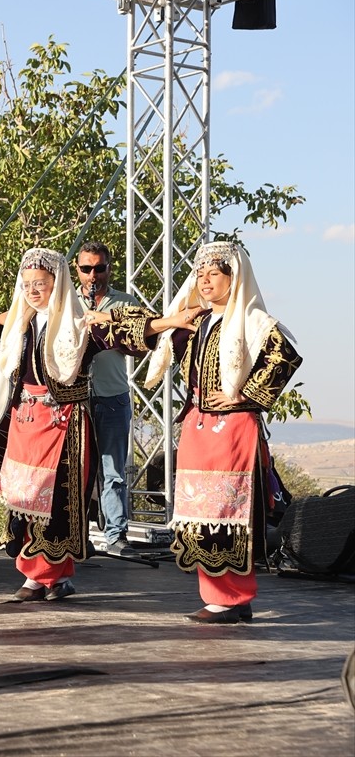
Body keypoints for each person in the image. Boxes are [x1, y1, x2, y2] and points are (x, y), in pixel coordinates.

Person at [0, 247, 192, 602]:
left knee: (55, 502)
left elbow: (128, 330)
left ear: (57, 283)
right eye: (27, 284)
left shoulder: (79, 324)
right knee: (25, 500)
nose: (33, 291)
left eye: (41, 283)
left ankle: (42, 576)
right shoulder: (17, 324)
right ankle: (50, 578)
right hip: (26, 423)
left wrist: (169, 321)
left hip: (64, 426)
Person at [140, 241, 301, 624]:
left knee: (228, 510)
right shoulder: (196, 321)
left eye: (214, 273)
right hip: (198, 427)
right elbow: (159, 341)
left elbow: (285, 356)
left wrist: (244, 395)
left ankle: (232, 597)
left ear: (235, 278)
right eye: (201, 274)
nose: (205, 280)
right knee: (199, 510)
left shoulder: (252, 321)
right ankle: (223, 596)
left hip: (233, 429)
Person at [74, 242, 141, 556]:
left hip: (112, 395)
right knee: (76, 471)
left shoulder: (125, 302)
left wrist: (107, 321)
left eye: (99, 268)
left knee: (113, 471)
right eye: (86, 269)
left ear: (109, 268)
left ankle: (116, 536)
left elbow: (141, 343)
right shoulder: (65, 302)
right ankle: (76, 535)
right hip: (74, 398)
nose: (93, 275)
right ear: (77, 270)